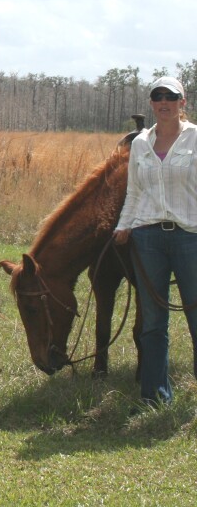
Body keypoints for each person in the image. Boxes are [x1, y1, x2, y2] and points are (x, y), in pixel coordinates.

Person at [114, 75, 197, 408]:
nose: (164, 102)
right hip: (147, 237)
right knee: (151, 320)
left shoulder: (195, 139)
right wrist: (124, 227)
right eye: (157, 96)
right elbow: (134, 191)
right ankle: (154, 397)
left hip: (190, 235)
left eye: (170, 96)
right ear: (151, 104)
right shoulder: (140, 144)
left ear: (182, 102)